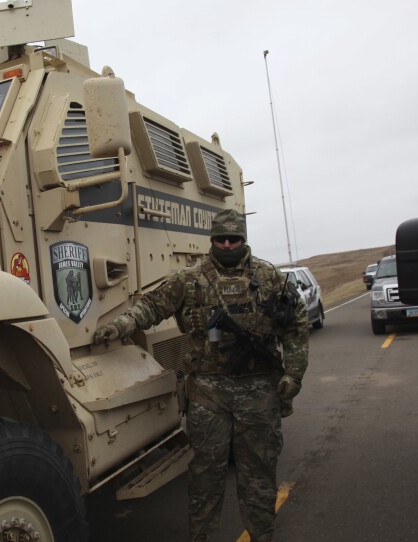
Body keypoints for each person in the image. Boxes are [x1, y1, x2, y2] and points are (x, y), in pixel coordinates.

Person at [93, 208, 309, 542]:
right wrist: (120, 325)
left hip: (259, 393)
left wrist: (293, 375)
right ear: (211, 240)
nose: (226, 245)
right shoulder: (189, 280)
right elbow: (151, 307)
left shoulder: (269, 278)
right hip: (209, 395)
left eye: (233, 239)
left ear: (243, 239)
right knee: (206, 478)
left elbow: (296, 326)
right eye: (220, 239)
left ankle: (262, 536)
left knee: (259, 477)